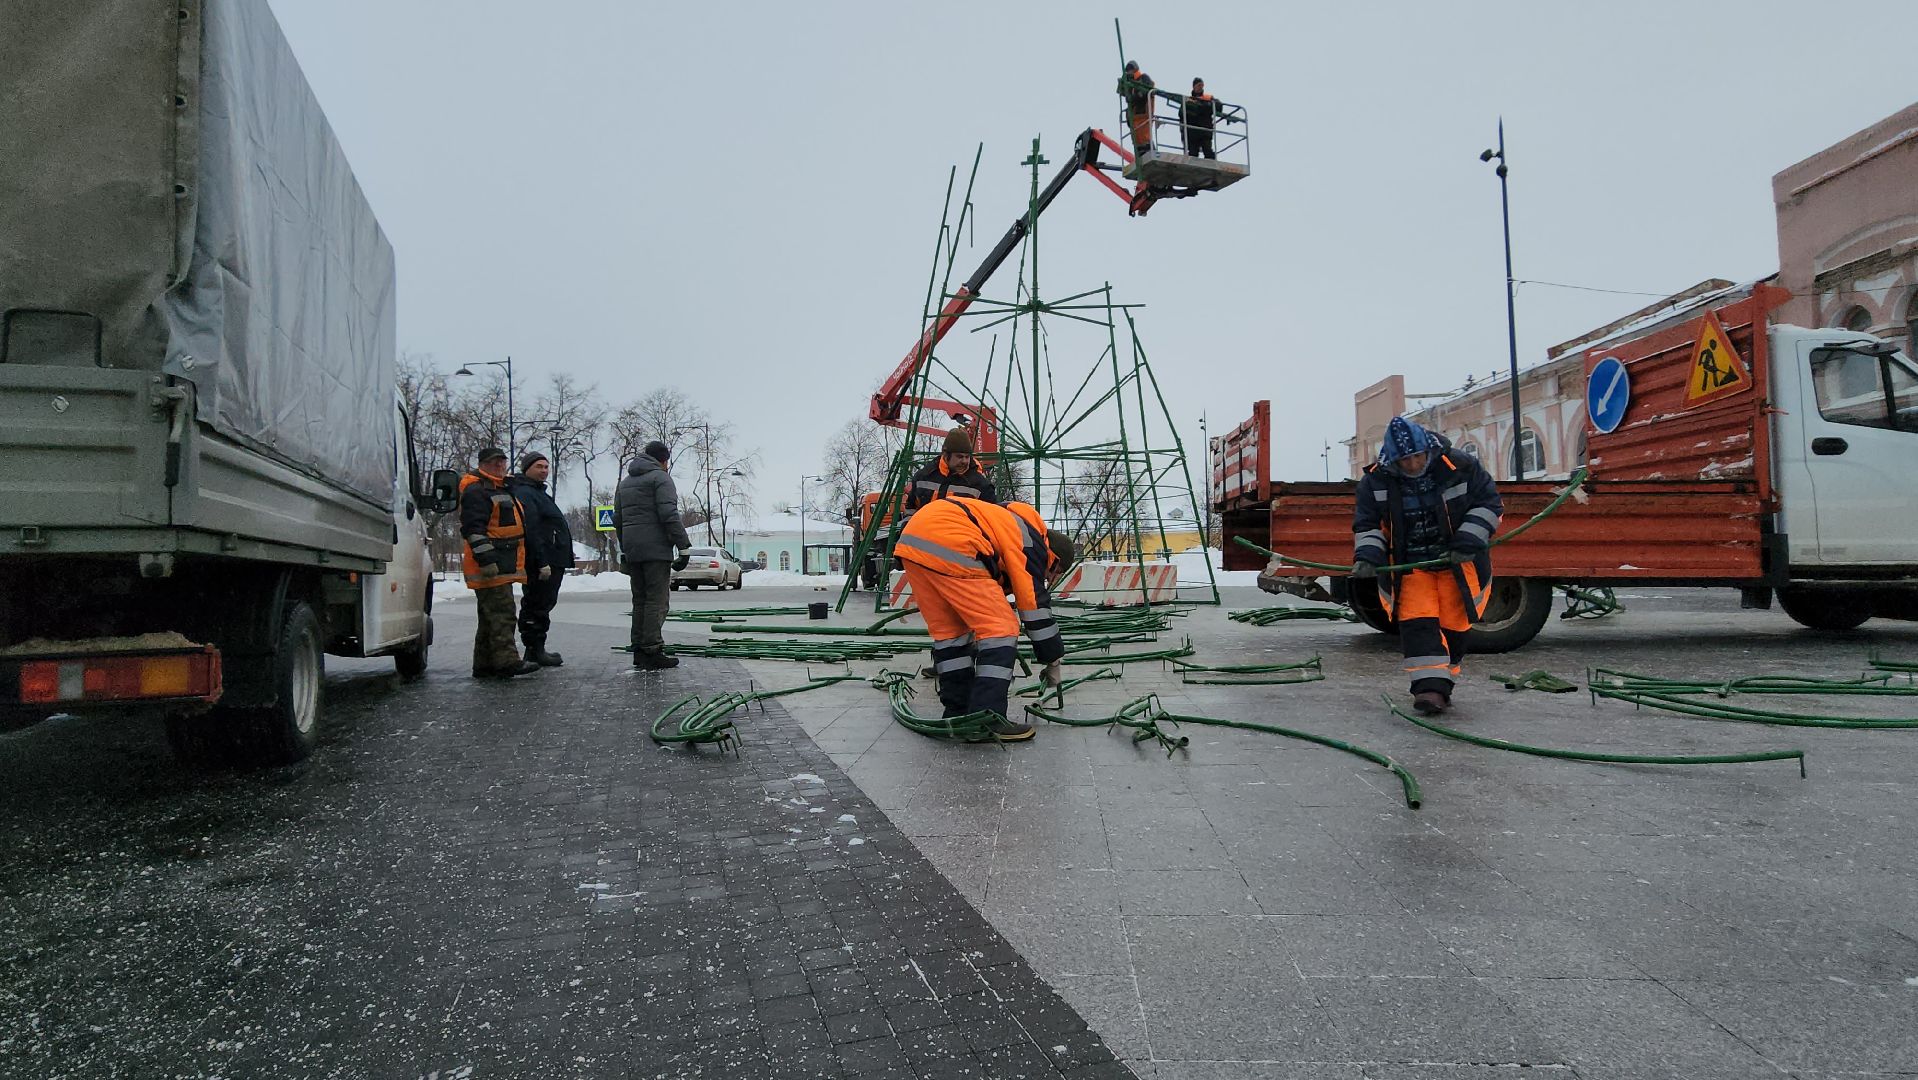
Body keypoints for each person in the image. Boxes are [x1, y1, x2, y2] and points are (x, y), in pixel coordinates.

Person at [1350, 417, 1503, 715]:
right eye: (1404, 460)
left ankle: (1443, 682)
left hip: (1456, 564)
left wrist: (1468, 540)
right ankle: (1429, 690)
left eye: (1417, 457)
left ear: (1427, 450)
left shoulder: (1460, 466)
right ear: (1392, 459)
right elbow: (1368, 525)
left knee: (1455, 625)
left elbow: (1489, 503)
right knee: (1417, 624)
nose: (1412, 465)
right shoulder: (1375, 481)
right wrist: (1367, 556)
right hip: (1411, 568)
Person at [895, 498, 1075, 740]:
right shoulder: (1033, 543)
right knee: (1001, 629)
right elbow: (1033, 606)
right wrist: (1053, 658)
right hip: (954, 542)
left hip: (914, 543)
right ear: (1054, 560)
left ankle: (958, 713)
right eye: (1054, 574)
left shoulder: (1007, 525)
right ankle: (986, 717)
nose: (1048, 579)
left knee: (951, 634)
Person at [459, 447, 541, 679]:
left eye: (502, 462)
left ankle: (484, 664)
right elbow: (473, 528)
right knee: (502, 613)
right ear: (482, 465)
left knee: (489, 617)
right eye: (493, 462)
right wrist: (486, 559)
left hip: (502, 563)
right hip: (491, 565)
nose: (499, 466)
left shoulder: (499, 488)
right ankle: (506, 662)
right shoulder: (478, 490)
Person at [615, 440, 693, 670]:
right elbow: (669, 514)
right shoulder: (660, 478)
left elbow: (618, 519)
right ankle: (652, 650)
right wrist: (683, 546)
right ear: (664, 460)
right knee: (656, 601)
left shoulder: (625, 483)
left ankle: (639, 650)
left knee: (639, 600)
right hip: (656, 550)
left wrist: (626, 546)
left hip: (633, 549)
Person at [507, 451, 575, 667]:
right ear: (527, 469)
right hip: (542, 560)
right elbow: (532, 529)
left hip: (553, 558)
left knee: (544, 603)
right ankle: (534, 649)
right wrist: (541, 561)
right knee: (537, 603)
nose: (544, 471)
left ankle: (537, 648)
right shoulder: (525, 493)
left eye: (546, 467)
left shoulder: (537, 492)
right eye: (539, 466)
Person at [905, 427, 997, 512]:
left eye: (967, 457)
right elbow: (911, 508)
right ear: (945, 455)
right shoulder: (923, 477)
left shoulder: (981, 486)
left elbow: (991, 517)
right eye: (959, 457)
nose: (964, 461)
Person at [1118, 60, 1155, 156]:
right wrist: (1123, 82)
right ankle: (1140, 153)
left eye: (1129, 70)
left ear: (1134, 69)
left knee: (1144, 137)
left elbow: (1146, 90)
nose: (1128, 72)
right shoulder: (1131, 83)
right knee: (1137, 139)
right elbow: (1123, 93)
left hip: (1143, 112)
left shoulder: (1143, 78)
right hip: (1134, 116)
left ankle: (1149, 151)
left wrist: (1133, 97)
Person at [1181, 77, 1221, 159]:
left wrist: (1203, 106)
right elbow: (1181, 114)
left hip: (1205, 130)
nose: (1201, 87)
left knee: (1208, 151)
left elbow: (1219, 106)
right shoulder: (1188, 100)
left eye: (1202, 85)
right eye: (1199, 85)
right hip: (1192, 131)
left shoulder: (1208, 98)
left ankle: (1211, 163)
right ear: (1194, 87)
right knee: (1193, 153)